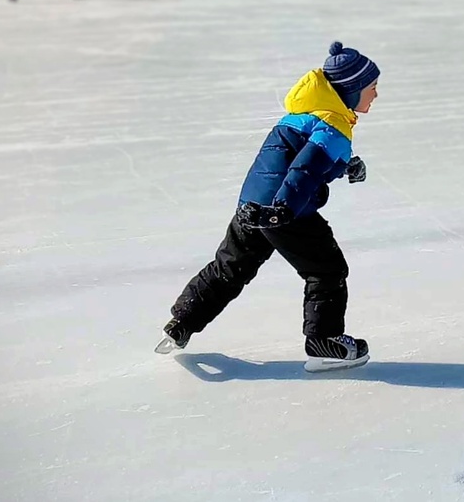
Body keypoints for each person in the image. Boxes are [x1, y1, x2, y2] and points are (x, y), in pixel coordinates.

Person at [157, 41, 380, 373]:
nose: (375, 95)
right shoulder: (334, 125)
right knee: (327, 271)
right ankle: (325, 343)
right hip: (284, 210)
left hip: (251, 205)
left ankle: (182, 322)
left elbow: (298, 159)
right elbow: (303, 170)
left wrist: (346, 165)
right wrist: (284, 210)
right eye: (371, 88)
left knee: (229, 268)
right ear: (351, 90)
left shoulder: (303, 115)